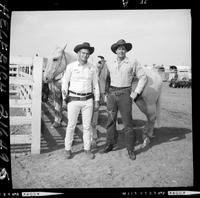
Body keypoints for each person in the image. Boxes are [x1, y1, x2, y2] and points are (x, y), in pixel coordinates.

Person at [100, 39, 148, 160]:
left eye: (123, 48)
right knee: (110, 121)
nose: (121, 50)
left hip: (125, 94)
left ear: (126, 50)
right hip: (111, 94)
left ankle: (130, 149)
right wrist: (104, 93)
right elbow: (104, 78)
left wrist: (136, 93)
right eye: (119, 48)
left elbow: (143, 77)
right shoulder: (109, 62)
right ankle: (109, 144)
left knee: (127, 123)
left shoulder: (132, 62)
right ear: (115, 50)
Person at [62, 42, 100, 159]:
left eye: (87, 53)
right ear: (78, 53)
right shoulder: (71, 67)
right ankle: (67, 149)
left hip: (88, 100)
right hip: (73, 100)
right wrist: (64, 99)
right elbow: (64, 83)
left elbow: (96, 85)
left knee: (87, 126)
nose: (85, 55)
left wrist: (97, 100)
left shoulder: (92, 68)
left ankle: (87, 149)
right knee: (71, 125)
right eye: (83, 53)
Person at [91, 56, 108, 144]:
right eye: (99, 63)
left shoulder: (103, 70)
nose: (99, 64)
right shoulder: (92, 69)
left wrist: (101, 93)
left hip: (98, 92)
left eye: (100, 62)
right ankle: (93, 135)